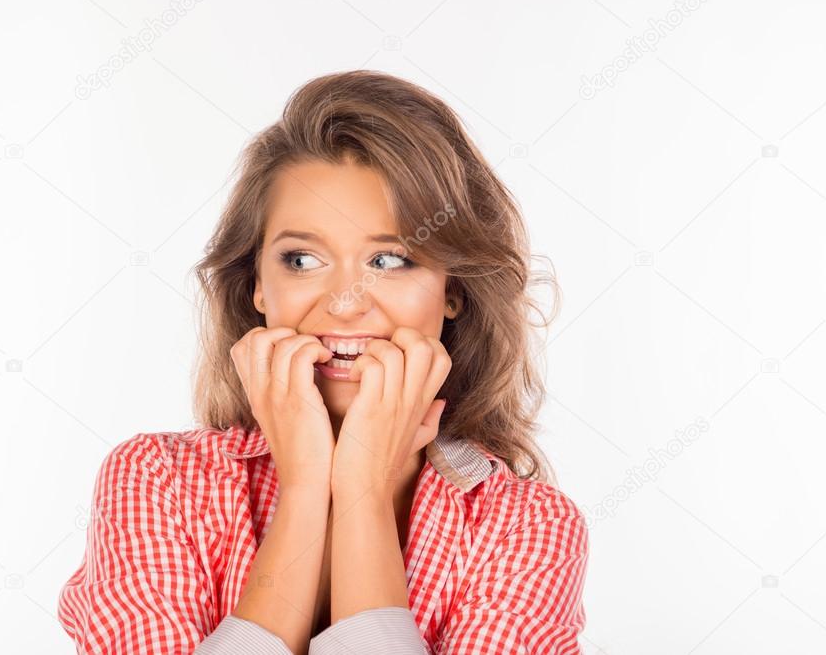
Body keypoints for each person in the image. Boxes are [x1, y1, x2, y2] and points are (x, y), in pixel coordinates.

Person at [57, 69, 589, 654]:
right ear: (257, 285)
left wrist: (361, 483)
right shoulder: (158, 481)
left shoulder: (527, 529)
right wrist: (307, 489)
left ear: (453, 291)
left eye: (390, 260)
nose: (344, 301)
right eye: (303, 259)